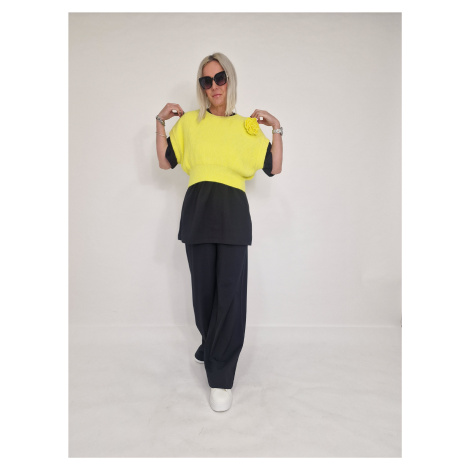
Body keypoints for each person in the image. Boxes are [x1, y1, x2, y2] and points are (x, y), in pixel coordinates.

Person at [155, 52, 283, 412]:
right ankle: (211, 342)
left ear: (230, 80)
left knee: (230, 294)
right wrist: (160, 122)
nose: (214, 86)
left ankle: (221, 376)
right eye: (206, 80)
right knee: (204, 294)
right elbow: (165, 162)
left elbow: (274, 167)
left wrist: (276, 127)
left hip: (232, 215)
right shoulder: (189, 123)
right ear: (201, 86)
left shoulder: (246, 127)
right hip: (198, 212)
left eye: (220, 78)